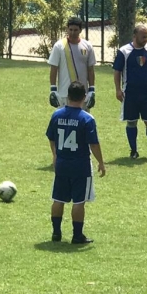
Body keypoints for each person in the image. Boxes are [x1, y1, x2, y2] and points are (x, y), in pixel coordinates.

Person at [46, 81, 105, 244]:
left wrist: (55, 154)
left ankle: (56, 233)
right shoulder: (87, 119)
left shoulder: (56, 115)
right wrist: (101, 161)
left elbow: (51, 137)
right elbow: (93, 144)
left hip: (62, 163)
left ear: (68, 95)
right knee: (79, 201)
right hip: (80, 165)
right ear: (84, 97)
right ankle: (77, 235)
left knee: (58, 198)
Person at [113, 25, 147, 160]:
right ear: (135, 36)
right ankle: (134, 151)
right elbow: (117, 71)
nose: (146, 39)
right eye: (143, 36)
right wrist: (118, 89)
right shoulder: (124, 51)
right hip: (130, 93)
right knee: (131, 122)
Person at [48, 17, 96, 110]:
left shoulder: (87, 46)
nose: (72, 33)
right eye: (70, 30)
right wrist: (53, 89)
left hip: (83, 94)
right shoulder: (59, 46)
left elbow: (90, 69)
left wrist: (91, 90)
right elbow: (54, 68)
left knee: (82, 121)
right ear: (67, 29)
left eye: (75, 30)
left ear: (80, 30)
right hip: (64, 93)